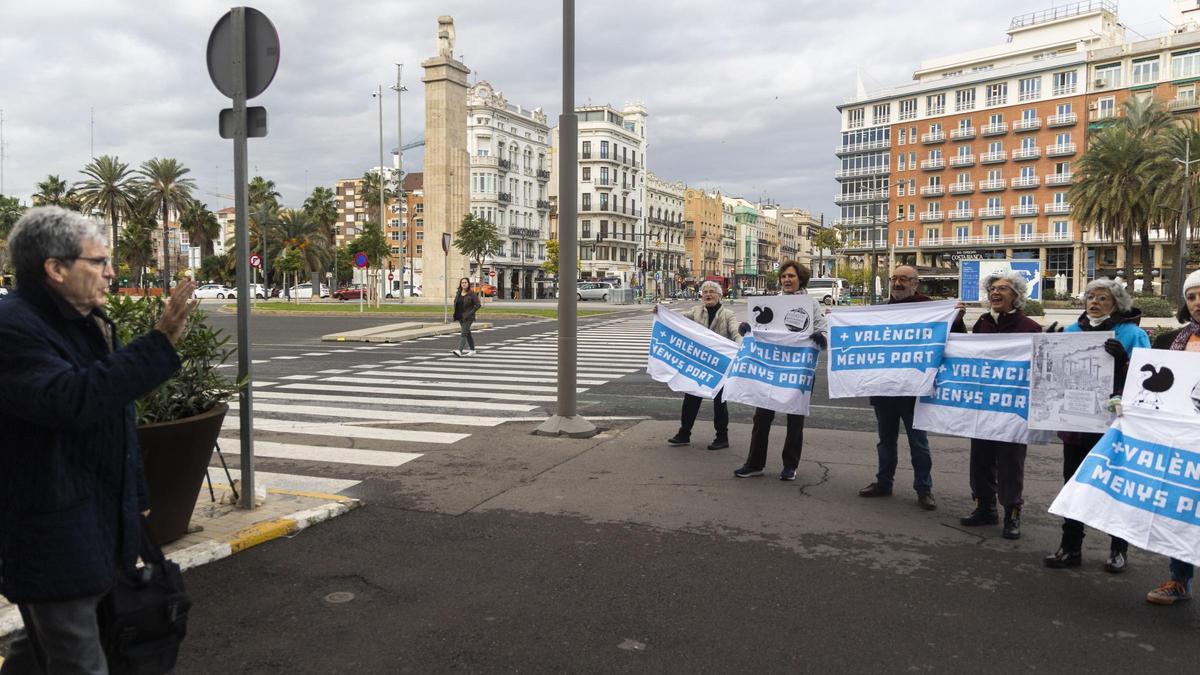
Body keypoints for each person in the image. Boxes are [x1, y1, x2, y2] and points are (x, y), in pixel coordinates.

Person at [0, 207, 197, 674]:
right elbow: (73, 400)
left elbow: (112, 418)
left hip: (91, 523)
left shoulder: (82, 319)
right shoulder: (12, 327)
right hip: (49, 531)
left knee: (44, 649)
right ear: (55, 268)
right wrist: (161, 339)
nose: (112, 271)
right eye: (99, 262)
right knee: (79, 660)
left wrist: (136, 499)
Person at [1044, 278, 1148, 572]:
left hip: (1115, 424)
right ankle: (1070, 547)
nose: (1095, 302)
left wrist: (1125, 361)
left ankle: (1118, 549)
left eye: (1103, 298)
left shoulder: (1132, 333)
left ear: (1116, 303)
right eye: (1091, 296)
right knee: (1073, 484)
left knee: (1114, 486)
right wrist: (1048, 349)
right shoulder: (1073, 331)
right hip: (1076, 423)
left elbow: (1148, 378)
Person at [858, 266, 966, 511]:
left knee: (919, 442)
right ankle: (883, 482)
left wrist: (956, 321)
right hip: (885, 390)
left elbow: (956, 342)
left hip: (915, 391)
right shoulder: (880, 311)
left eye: (903, 279)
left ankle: (924, 488)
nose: (897, 283)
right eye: (894, 278)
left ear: (915, 284)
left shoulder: (930, 310)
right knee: (886, 440)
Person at [959, 270, 1042, 539]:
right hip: (984, 403)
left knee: (1010, 462)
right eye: (993, 288)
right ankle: (985, 507)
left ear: (1016, 296)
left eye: (1004, 289)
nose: (996, 292)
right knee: (980, 457)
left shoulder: (1029, 327)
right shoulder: (982, 322)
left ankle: (1012, 513)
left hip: (1013, 406)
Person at [734, 261, 828, 481]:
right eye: (784, 276)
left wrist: (821, 338)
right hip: (771, 367)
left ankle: (790, 465)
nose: (787, 280)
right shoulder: (771, 302)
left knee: (795, 419)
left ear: (800, 279)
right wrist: (747, 329)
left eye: (791, 276)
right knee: (762, 417)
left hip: (798, 369)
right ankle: (755, 463)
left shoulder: (810, 304)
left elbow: (824, 330)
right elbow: (760, 328)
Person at [1145, 268, 1200, 605]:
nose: (1197, 302)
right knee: (1182, 510)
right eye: (1191, 296)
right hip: (1182, 444)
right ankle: (1179, 579)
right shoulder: (1168, 343)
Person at [663, 280, 742, 450]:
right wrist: (662, 313)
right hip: (699, 364)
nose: (707, 294)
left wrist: (740, 347)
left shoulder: (728, 314)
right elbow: (677, 320)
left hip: (719, 365)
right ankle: (684, 433)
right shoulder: (696, 311)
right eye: (705, 291)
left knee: (719, 402)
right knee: (691, 397)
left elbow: (736, 332)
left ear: (720, 295)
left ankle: (722, 437)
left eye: (712, 291)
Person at [452, 277, 481, 357]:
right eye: (462, 283)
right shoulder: (459, 292)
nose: (464, 284)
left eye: (465, 282)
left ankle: (459, 351)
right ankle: (472, 350)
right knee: (467, 333)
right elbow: (456, 302)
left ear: (468, 284)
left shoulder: (472, 294)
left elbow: (478, 305)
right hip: (460, 316)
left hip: (468, 317)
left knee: (463, 333)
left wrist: (470, 313)